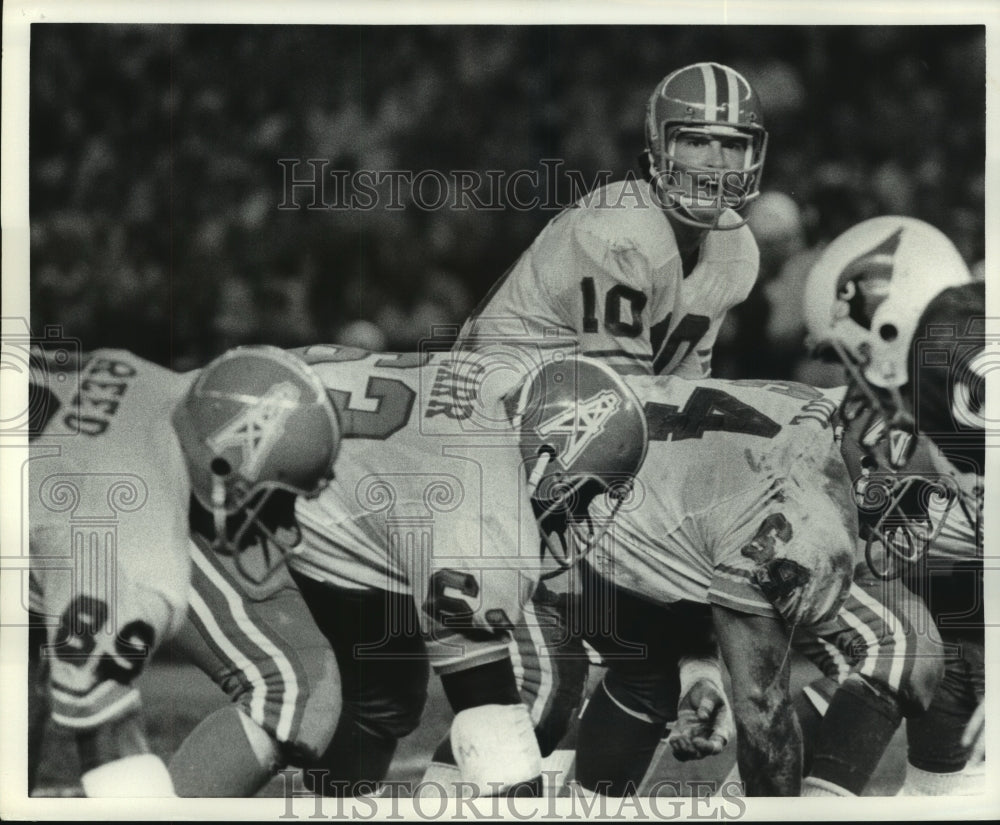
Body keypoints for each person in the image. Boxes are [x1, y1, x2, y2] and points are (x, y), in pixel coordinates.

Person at [166, 347, 652, 798]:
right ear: (547, 456)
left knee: (383, 692)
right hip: (190, 473)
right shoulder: (482, 500)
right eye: (583, 494)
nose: (580, 516)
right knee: (294, 690)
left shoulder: (506, 391)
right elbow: (488, 709)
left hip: (292, 494)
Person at [27, 344, 339, 797]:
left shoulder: (154, 378)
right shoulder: (138, 558)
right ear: (221, 467)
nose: (287, 531)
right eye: (278, 500)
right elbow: (107, 743)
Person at [801, 215, 984, 796]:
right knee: (918, 647)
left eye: (857, 352)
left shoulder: (962, 382)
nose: (861, 381)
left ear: (889, 328)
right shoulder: (920, 397)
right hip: (945, 608)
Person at [456, 61, 766, 379]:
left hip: (581, 404)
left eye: (734, 145)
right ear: (658, 149)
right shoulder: (618, 230)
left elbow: (685, 383)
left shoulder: (736, 248)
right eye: (695, 142)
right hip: (493, 392)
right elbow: (619, 393)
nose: (716, 162)